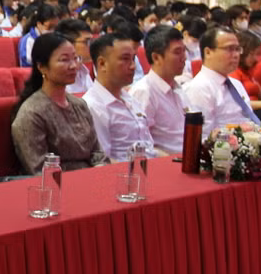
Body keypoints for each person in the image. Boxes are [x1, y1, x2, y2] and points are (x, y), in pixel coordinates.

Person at [10, 32, 108, 174]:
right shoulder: (31, 113)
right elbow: (39, 170)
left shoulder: (80, 105)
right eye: (64, 60)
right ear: (42, 67)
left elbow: (98, 154)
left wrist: (99, 171)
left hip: (93, 179)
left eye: (76, 58)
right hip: (58, 187)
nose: (74, 65)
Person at [83, 32, 156, 162]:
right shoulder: (92, 106)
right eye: (125, 59)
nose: (133, 66)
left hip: (149, 167)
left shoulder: (129, 98)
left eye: (133, 59)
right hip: (125, 175)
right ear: (102, 64)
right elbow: (103, 161)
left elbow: (149, 149)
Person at [183, 27, 261, 137]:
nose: (236, 55)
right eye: (229, 49)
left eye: (237, 49)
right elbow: (204, 137)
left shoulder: (236, 84)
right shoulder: (198, 88)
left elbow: (248, 119)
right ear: (208, 52)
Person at [127, 26, 188, 154]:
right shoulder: (144, 91)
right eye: (177, 52)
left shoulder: (178, 88)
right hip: (165, 163)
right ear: (156, 57)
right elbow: (138, 143)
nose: (184, 58)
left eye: (184, 51)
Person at [55, 18, 94, 94]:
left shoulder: (83, 70)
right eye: (87, 42)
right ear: (69, 44)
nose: (92, 46)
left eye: (92, 41)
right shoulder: (58, 76)